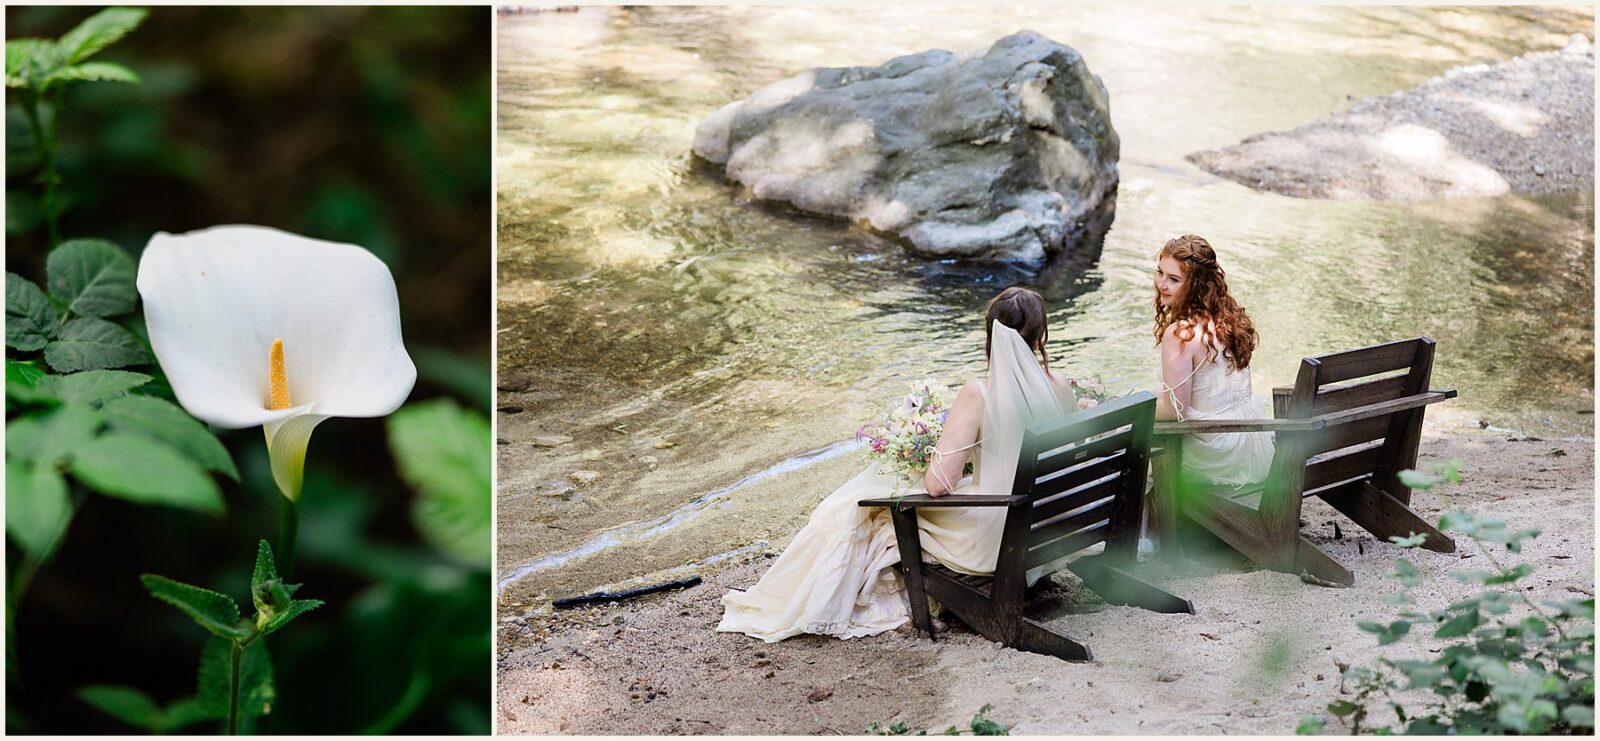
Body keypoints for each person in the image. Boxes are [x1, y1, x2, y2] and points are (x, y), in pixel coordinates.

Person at [717, 286, 1074, 642]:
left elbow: (937, 486)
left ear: (990, 333)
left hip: (995, 542)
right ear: (1041, 334)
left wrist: (933, 451)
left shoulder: (979, 394)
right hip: (1052, 525)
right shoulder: (1059, 386)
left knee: (877, 509)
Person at [1152, 234, 1275, 490]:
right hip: (1248, 443)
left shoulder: (1180, 333)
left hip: (1217, 455)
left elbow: (1176, 411)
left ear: (1196, 285)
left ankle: (1159, 526)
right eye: (1160, 272)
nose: (1161, 284)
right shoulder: (1228, 319)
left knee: (1138, 443)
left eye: (1173, 279)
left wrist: (1128, 409)